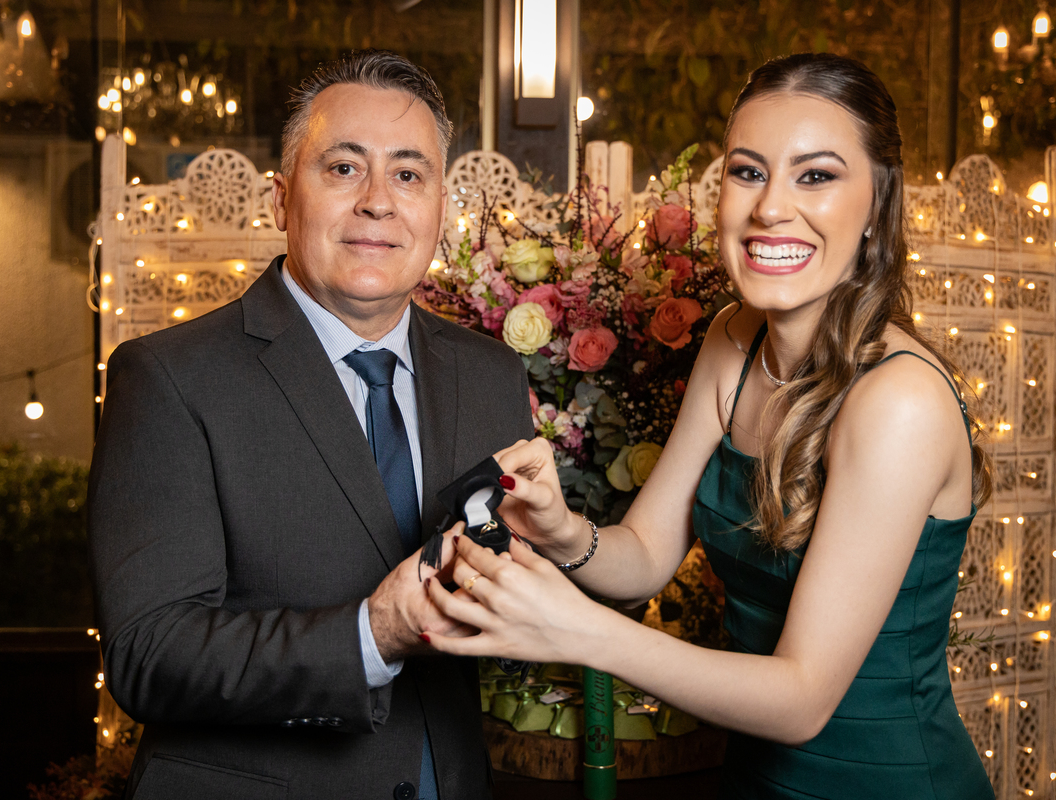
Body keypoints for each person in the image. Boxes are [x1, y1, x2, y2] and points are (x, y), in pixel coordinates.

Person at [424, 53, 996, 799]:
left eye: (816, 176)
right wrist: (560, 531)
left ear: (877, 207)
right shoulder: (734, 338)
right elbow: (645, 555)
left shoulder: (899, 402)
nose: (770, 208)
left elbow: (801, 701)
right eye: (749, 172)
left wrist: (577, 632)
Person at [88, 50, 532, 800]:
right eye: (344, 168)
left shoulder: (490, 374)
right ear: (280, 199)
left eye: (408, 175)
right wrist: (371, 634)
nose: (378, 202)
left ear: (440, 209)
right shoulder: (168, 378)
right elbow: (148, 653)